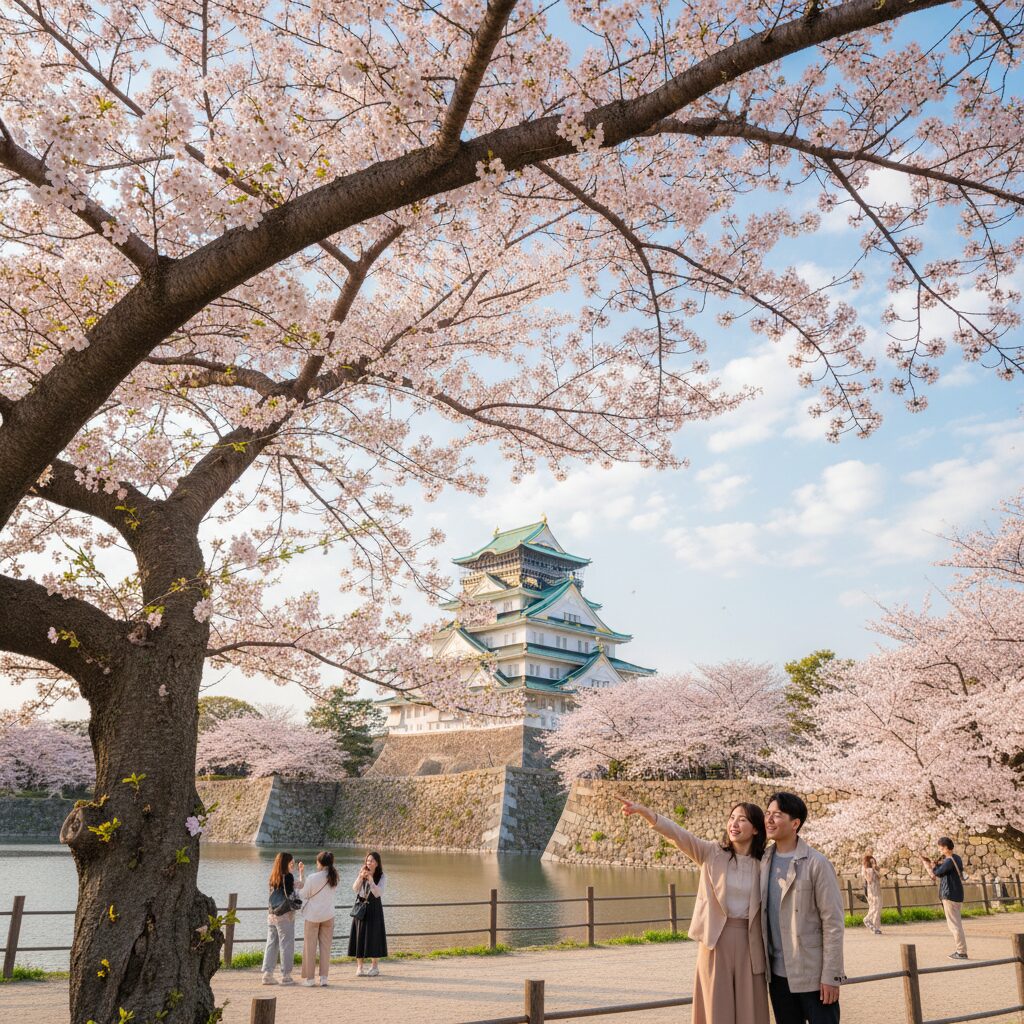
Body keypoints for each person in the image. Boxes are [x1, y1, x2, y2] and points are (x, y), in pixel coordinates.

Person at [620, 797, 769, 1024]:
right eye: (731, 819)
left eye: (742, 820)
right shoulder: (711, 853)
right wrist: (645, 813)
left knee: (750, 1008)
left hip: (751, 942)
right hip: (715, 940)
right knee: (716, 1008)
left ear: (756, 829)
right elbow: (678, 835)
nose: (734, 824)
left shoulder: (766, 863)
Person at [762, 791, 846, 1024]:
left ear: (795, 823)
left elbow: (833, 923)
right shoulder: (763, 861)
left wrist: (832, 976)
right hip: (778, 977)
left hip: (814, 975)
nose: (769, 819)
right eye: (767, 813)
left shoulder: (817, 863)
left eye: (777, 815)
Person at [920, 838, 967, 960]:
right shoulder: (956, 858)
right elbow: (945, 871)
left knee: (954, 925)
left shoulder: (949, 861)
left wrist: (932, 866)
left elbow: (938, 873)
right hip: (957, 893)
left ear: (946, 847)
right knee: (956, 923)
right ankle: (961, 950)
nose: (939, 850)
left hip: (950, 894)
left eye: (940, 847)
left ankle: (961, 952)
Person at [299, 850, 339, 987]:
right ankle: (324, 978)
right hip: (328, 916)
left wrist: (300, 883)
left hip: (313, 916)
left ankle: (310, 979)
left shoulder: (312, 878)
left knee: (310, 947)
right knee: (325, 948)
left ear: (320, 863)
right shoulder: (334, 877)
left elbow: (303, 894)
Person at [262, 851, 301, 985]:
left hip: (272, 914)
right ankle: (286, 975)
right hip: (285, 915)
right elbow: (291, 895)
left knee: (271, 943)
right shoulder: (288, 877)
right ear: (286, 863)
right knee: (286, 944)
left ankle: (267, 974)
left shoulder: (273, 877)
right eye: (291, 862)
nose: (293, 864)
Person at [349, 851, 388, 977]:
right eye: (367, 860)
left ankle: (374, 967)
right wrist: (360, 877)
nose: (368, 863)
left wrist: (371, 880)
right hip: (361, 908)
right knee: (359, 936)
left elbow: (378, 893)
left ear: (377, 863)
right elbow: (355, 889)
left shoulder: (382, 876)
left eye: (371, 861)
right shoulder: (362, 874)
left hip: (374, 908)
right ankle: (359, 967)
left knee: (374, 936)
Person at [861, 850, 883, 936]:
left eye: (874, 861)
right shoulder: (868, 870)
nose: (874, 862)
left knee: (878, 907)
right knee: (875, 907)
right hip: (872, 890)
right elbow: (869, 880)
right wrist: (871, 870)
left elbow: (879, 877)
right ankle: (867, 919)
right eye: (872, 861)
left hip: (877, 889)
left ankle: (876, 927)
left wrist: (876, 870)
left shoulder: (873, 869)